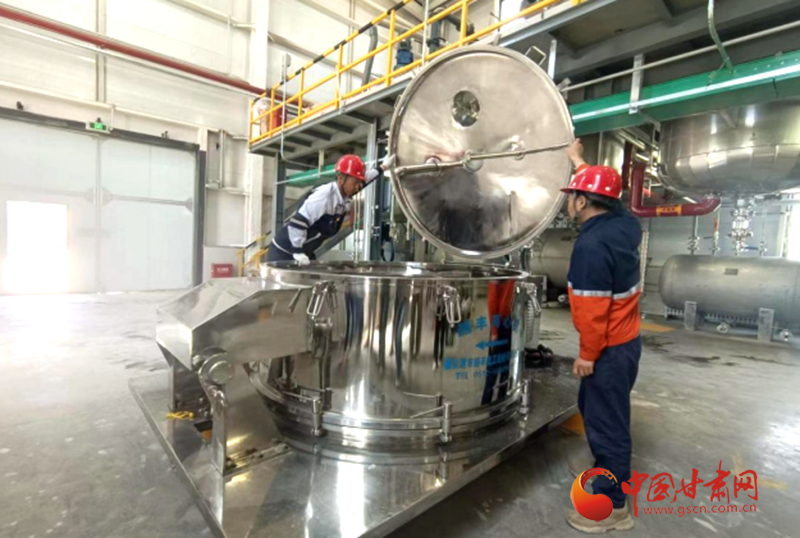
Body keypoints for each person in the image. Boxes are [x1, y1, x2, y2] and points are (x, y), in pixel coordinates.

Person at [562, 139, 642, 533]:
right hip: (627, 342)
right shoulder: (625, 225)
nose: (568, 202)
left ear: (582, 201)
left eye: (572, 196)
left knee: (607, 423)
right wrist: (579, 162)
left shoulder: (591, 246)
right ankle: (604, 471)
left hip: (607, 348)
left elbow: (593, 312)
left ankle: (612, 508)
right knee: (596, 409)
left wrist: (587, 355)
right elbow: (612, 196)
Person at [267, 154, 390, 264]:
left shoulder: (344, 193)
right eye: (356, 182)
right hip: (284, 253)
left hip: (306, 250)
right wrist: (297, 251)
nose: (358, 186)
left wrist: (383, 167)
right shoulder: (324, 197)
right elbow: (298, 223)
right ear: (341, 178)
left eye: (360, 182)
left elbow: (365, 180)